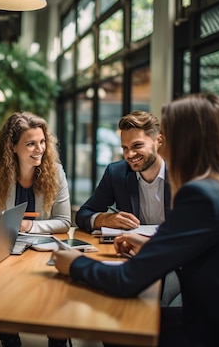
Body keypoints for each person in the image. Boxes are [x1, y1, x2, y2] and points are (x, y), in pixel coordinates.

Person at [53, 92, 219, 347]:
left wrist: (75, 264)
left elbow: (126, 281)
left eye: (170, 136)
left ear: (185, 141)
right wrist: (151, 248)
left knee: (119, 324)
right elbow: (210, 255)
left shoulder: (201, 195)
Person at [0, 112, 70, 347]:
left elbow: (64, 221)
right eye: (31, 143)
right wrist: (10, 227)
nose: (39, 149)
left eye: (42, 142)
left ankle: (58, 342)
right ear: (12, 146)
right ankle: (10, 340)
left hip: (42, 254)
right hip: (6, 253)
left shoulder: (55, 171)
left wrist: (29, 225)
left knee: (61, 288)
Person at [75, 111, 180, 308]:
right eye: (125, 148)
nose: (130, 155)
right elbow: (83, 214)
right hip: (132, 259)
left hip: (174, 260)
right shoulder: (116, 173)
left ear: (158, 141)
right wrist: (104, 219)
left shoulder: (182, 175)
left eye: (137, 146)